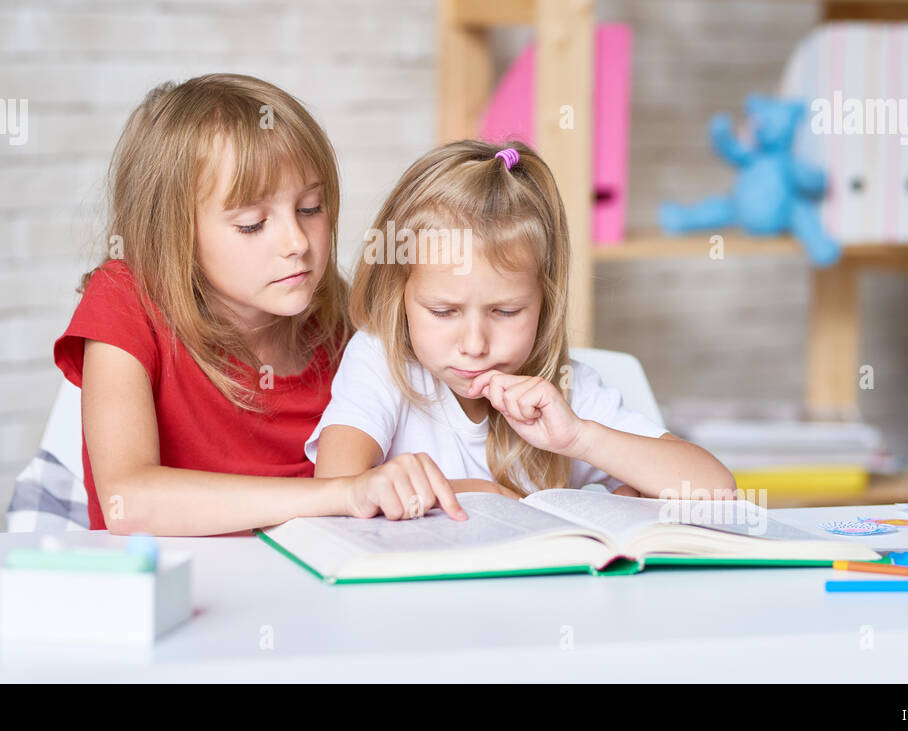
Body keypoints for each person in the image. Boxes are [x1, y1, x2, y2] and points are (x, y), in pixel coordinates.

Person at [54, 75, 466, 535]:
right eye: (252, 224)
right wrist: (344, 493)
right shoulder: (125, 300)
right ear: (171, 232)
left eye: (311, 208)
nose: (296, 242)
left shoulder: (339, 324)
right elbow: (126, 502)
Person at [308, 140, 736, 510]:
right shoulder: (380, 363)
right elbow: (336, 491)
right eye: (443, 312)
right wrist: (476, 493)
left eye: (506, 312)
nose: (474, 345)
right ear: (396, 296)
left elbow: (716, 489)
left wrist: (580, 440)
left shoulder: (566, 390)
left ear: (544, 303)